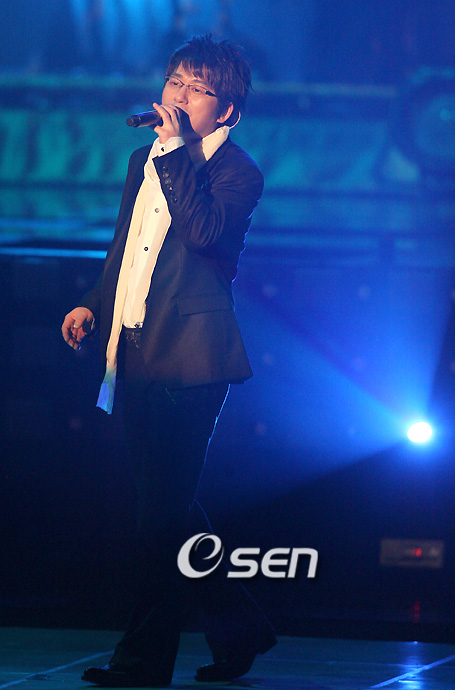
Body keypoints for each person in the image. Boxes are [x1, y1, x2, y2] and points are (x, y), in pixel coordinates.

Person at [61, 34, 276, 688]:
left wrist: (178, 153)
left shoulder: (236, 172)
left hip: (192, 362)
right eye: (175, 81)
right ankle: (241, 628)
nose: (179, 97)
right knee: (170, 512)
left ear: (227, 110)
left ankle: (142, 663)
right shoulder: (143, 159)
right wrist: (94, 302)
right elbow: (127, 247)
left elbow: (202, 233)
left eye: (197, 89)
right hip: (135, 351)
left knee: (158, 523)